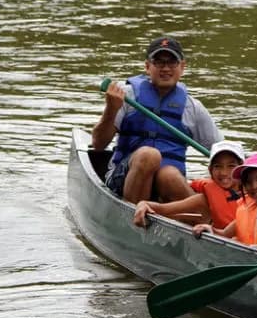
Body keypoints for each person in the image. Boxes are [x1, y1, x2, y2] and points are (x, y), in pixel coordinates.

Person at [91, 36, 223, 204]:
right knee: (149, 155)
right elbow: (98, 144)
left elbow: (222, 154)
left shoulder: (193, 108)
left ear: (182, 67)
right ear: (147, 66)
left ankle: (212, 223)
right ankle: (132, 218)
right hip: (124, 180)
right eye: (159, 62)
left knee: (169, 174)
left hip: (167, 185)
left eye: (172, 62)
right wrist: (111, 109)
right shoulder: (127, 95)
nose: (166, 68)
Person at [193, 152, 257, 255]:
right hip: (248, 261)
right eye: (248, 182)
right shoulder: (246, 208)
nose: (254, 186)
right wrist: (209, 229)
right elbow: (225, 234)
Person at [133, 140, 245, 229]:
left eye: (231, 166)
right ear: (210, 170)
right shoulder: (203, 199)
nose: (224, 173)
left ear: (241, 169)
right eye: (218, 166)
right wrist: (143, 204)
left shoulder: (254, 191)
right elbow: (164, 209)